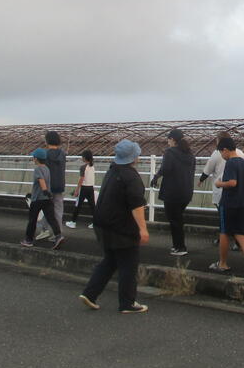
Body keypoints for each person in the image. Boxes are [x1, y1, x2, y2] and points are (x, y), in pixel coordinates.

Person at [80, 139, 150, 314]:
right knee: (129, 264)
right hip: (121, 227)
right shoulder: (131, 176)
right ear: (133, 157)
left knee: (110, 261)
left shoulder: (112, 171)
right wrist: (143, 229)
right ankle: (127, 303)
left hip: (103, 224)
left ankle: (90, 293)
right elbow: (136, 205)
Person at [209, 137, 244, 277]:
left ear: (225, 150)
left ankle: (222, 264)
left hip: (229, 202)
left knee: (224, 232)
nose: (222, 156)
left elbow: (232, 182)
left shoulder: (230, 162)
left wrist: (219, 184)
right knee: (240, 232)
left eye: (221, 152)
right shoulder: (243, 162)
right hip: (242, 202)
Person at [151, 129, 196, 256]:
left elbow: (165, 169)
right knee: (178, 218)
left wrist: (156, 177)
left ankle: (180, 247)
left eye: (168, 139)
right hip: (186, 192)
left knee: (174, 220)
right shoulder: (190, 154)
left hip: (172, 192)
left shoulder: (170, 152)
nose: (167, 142)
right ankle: (178, 246)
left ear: (172, 139)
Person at [200, 131, 244, 248]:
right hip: (241, 194)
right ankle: (239, 244)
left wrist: (201, 180)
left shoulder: (218, 154)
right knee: (238, 221)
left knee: (224, 221)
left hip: (223, 193)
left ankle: (224, 242)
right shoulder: (240, 153)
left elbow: (208, 169)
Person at [21, 148, 64, 249]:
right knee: (51, 218)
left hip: (37, 199)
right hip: (47, 199)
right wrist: (48, 193)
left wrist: (45, 190)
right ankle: (58, 236)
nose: (33, 159)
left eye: (33, 157)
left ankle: (28, 240)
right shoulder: (47, 169)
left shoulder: (38, 169)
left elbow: (41, 180)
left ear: (36, 159)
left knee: (32, 220)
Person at [37, 131, 66, 242]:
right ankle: (58, 233)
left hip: (48, 186)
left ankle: (45, 230)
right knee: (58, 210)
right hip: (59, 185)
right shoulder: (62, 154)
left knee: (46, 209)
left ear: (47, 141)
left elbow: (43, 171)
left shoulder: (45, 154)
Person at [66, 150, 96, 229]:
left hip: (84, 188)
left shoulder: (83, 167)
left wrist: (77, 189)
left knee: (78, 205)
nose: (81, 158)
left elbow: (81, 179)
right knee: (93, 206)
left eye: (82, 156)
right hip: (90, 188)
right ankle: (95, 223)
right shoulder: (92, 166)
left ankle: (73, 222)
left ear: (85, 158)